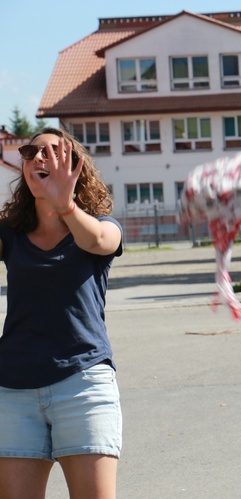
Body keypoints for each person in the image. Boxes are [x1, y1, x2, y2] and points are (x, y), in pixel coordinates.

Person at [0, 127, 124, 498]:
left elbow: (98, 242)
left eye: (51, 151)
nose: (39, 157)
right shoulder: (9, 232)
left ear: (74, 166)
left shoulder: (103, 225)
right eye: (31, 151)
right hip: (13, 390)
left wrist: (65, 206)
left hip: (83, 386)